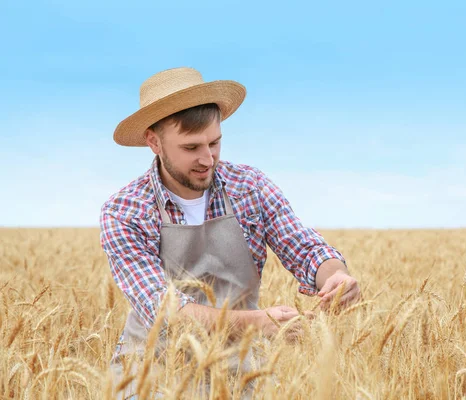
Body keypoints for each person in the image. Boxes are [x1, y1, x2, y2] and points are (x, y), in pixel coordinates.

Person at [99, 67, 360, 397]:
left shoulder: (250, 187)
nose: (208, 159)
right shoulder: (124, 211)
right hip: (153, 371)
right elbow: (167, 312)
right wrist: (258, 323)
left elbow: (303, 246)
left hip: (238, 369)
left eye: (215, 142)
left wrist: (334, 276)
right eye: (192, 147)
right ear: (154, 141)